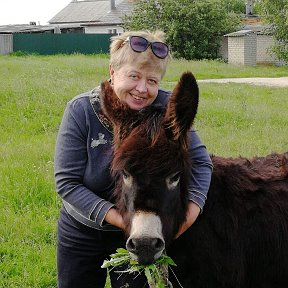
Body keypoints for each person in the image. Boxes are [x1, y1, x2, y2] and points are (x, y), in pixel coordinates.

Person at [54, 30, 213, 288]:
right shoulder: (81, 110)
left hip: (143, 233)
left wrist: (190, 214)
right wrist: (124, 221)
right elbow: (67, 183)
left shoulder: (167, 109)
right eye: (134, 76)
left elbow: (202, 162)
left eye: (152, 80)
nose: (142, 89)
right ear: (112, 71)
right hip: (83, 231)